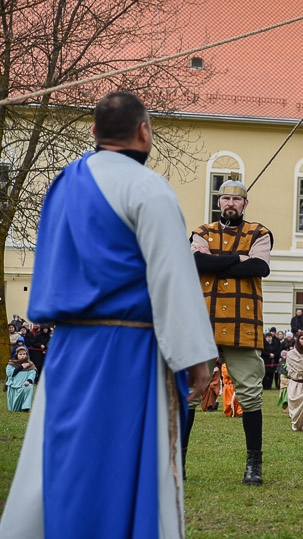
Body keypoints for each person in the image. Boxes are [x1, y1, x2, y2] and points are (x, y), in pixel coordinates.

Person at [0, 91, 216, 538]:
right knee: (124, 460)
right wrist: (196, 355)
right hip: (129, 351)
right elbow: (172, 277)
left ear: (95, 132)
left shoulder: (63, 184)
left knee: (63, 458)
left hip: (68, 350)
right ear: (144, 132)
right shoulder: (148, 188)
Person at [187, 170, 272, 485]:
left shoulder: (260, 232)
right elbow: (196, 263)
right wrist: (238, 257)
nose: (231, 203)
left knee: (250, 395)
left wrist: (218, 262)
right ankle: (176, 461)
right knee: (189, 393)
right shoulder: (201, 232)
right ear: (218, 202)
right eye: (225, 198)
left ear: (245, 203)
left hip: (242, 325)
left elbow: (260, 267)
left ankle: (253, 465)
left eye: (236, 198)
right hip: (203, 323)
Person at [5, 346, 36, 412]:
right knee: (14, 410)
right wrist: (21, 367)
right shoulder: (11, 364)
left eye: (24, 354)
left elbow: (32, 373)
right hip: (13, 386)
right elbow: (9, 373)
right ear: (17, 355)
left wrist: (28, 381)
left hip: (24, 385)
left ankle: (25, 407)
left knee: (29, 387)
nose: (22, 356)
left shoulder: (30, 364)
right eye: (20, 354)